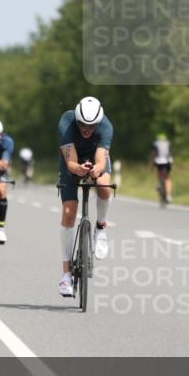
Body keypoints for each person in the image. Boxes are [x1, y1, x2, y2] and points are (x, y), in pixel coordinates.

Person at [57, 96, 113, 297]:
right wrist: (78, 169)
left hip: (94, 157)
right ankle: (66, 275)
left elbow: (100, 158)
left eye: (92, 125)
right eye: (82, 124)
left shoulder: (106, 125)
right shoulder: (67, 122)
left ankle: (100, 226)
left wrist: (97, 169)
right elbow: (71, 162)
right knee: (69, 212)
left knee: (104, 185)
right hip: (71, 161)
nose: (87, 129)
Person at [150, 132, 173, 203]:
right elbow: (171, 154)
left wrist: (151, 165)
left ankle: (160, 184)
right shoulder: (168, 143)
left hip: (159, 161)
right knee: (168, 178)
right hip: (168, 161)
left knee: (159, 172)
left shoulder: (155, 143)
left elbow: (153, 154)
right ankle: (169, 195)